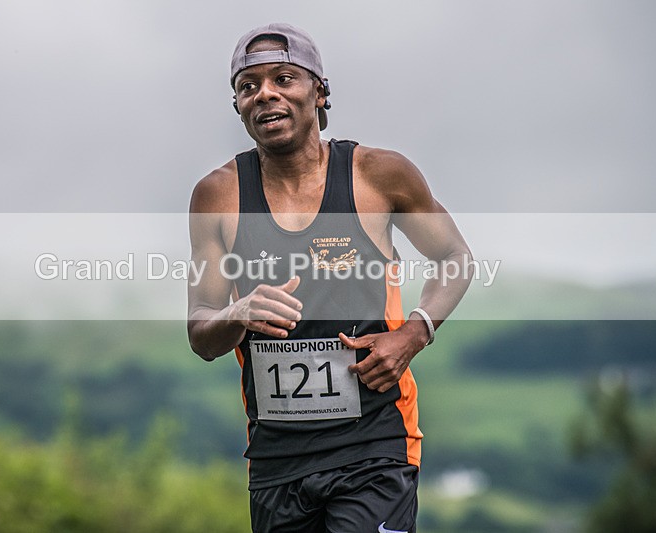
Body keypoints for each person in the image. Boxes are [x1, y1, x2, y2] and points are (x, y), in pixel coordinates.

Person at [187, 23, 472, 533]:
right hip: (277, 459)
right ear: (237, 107)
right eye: (248, 87)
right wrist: (236, 311)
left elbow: (454, 257)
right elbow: (201, 333)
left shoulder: (379, 175)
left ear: (320, 91)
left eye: (284, 78)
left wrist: (413, 333)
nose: (265, 94)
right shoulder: (217, 196)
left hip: (375, 445)